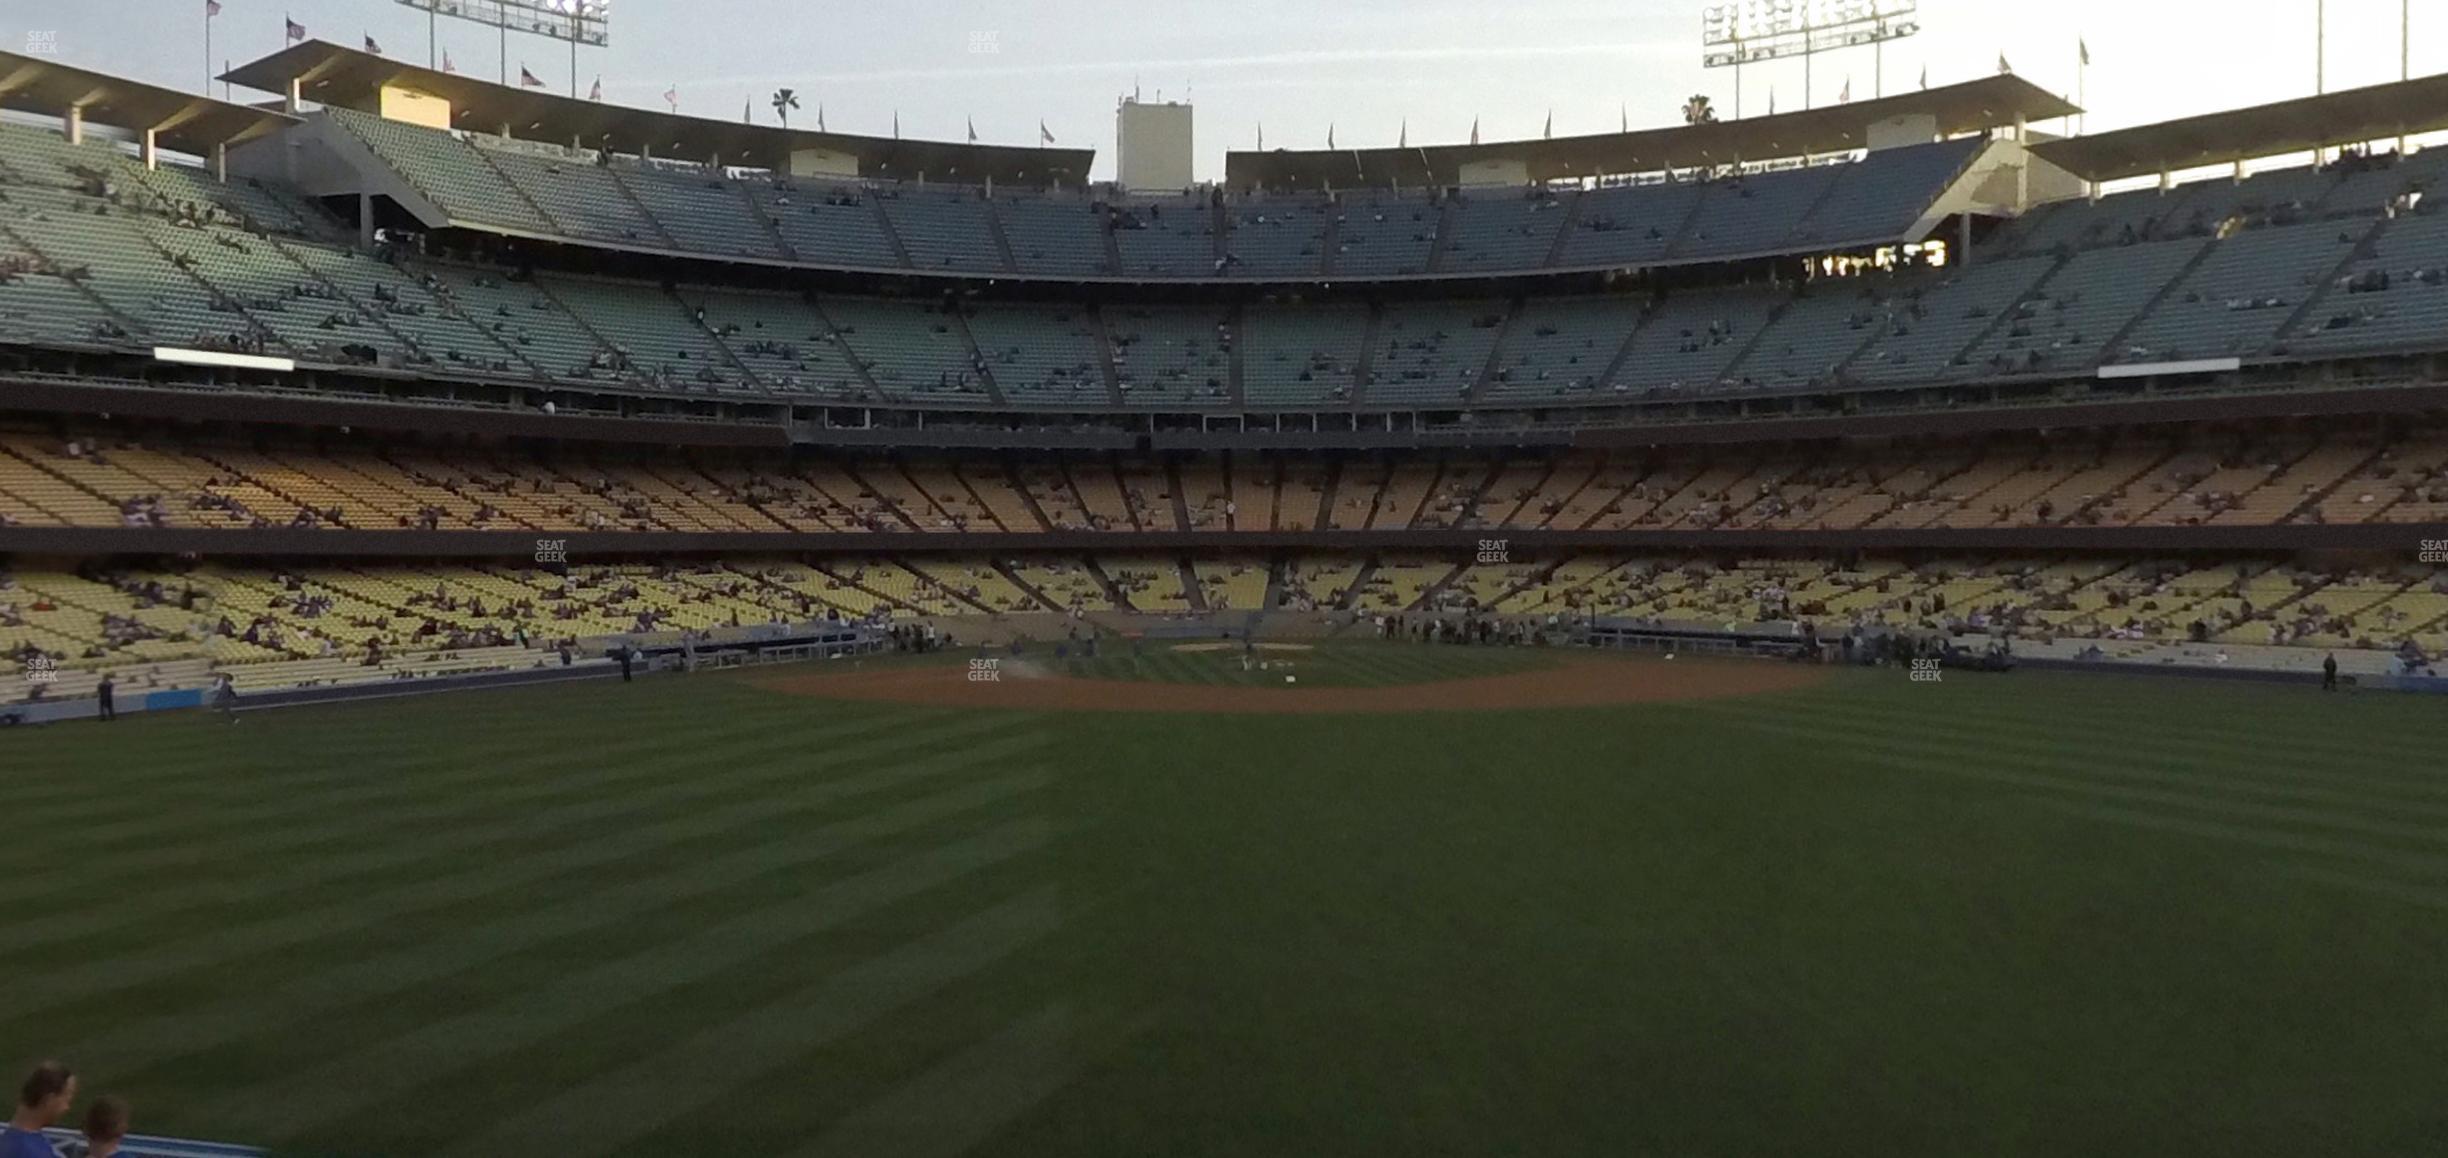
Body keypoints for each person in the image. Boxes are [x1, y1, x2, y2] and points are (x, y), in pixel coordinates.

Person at [3, 1062, 75, 1158]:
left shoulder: (7, 1141)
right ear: (49, 1100)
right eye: (66, 1100)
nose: (67, 1108)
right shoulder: (35, 1152)